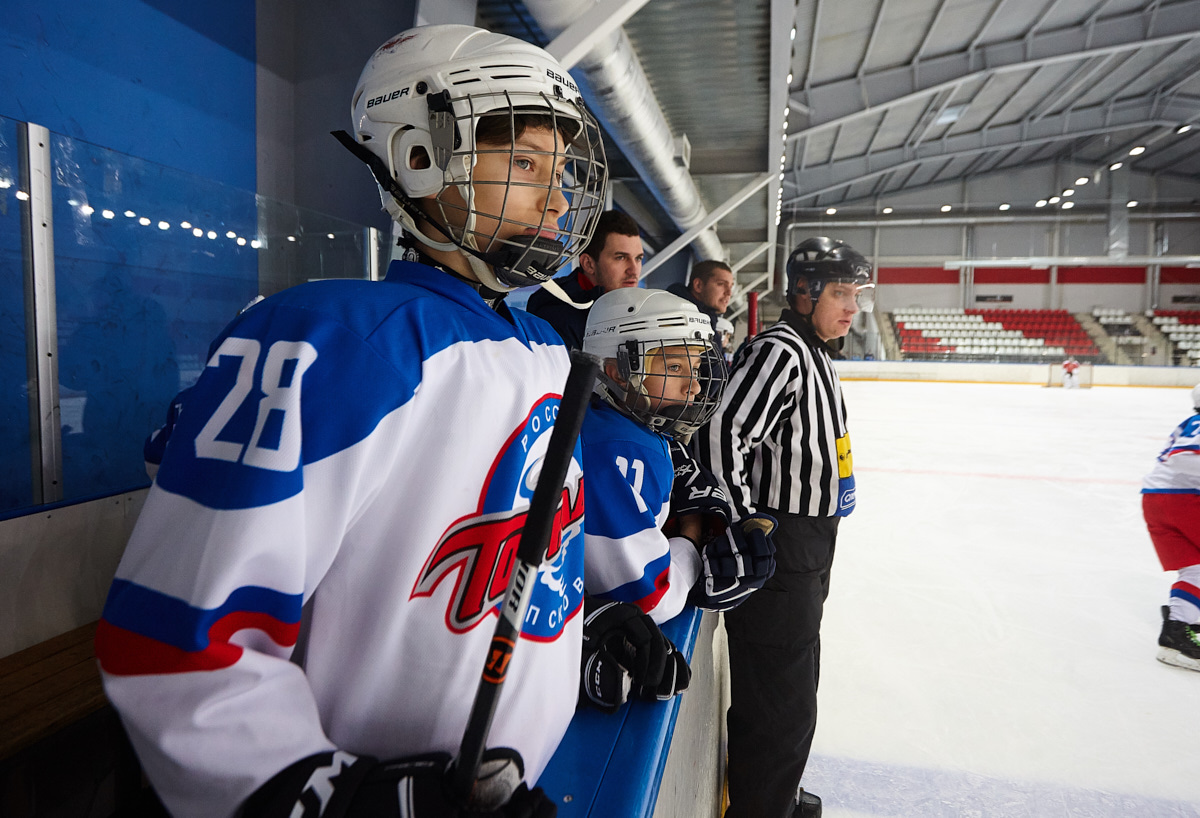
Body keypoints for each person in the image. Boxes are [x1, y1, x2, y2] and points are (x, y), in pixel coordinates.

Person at [91, 24, 676, 818]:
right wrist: (347, 799)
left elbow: (501, 557)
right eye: (525, 164)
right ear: (415, 157)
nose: (560, 195)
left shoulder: (542, 349)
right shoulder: (329, 340)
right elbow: (179, 640)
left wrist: (587, 624)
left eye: (561, 169)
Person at [697, 236, 875, 818]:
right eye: (842, 293)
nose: (853, 307)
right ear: (804, 292)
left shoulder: (814, 350)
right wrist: (741, 521)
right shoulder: (782, 352)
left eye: (857, 294)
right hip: (783, 543)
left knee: (793, 684)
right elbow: (722, 435)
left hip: (810, 544)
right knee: (779, 697)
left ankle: (776, 794)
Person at [578, 288, 774, 630]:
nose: (695, 387)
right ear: (618, 371)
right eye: (674, 366)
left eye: (696, 367)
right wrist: (691, 541)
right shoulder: (619, 450)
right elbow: (650, 599)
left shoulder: (616, 426)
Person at [1141, 383, 1200, 672]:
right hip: (1181, 500)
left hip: (1157, 499)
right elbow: (1185, 458)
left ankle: (1178, 631)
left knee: (1196, 568)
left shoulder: (1191, 421)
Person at [525, 210, 644, 348]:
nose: (634, 270)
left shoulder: (629, 307)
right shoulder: (556, 317)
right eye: (621, 258)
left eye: (638, 258)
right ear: (588, 264)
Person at [668, 260, 735, 361]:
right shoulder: (678, 321)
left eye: (730, 286)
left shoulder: (709, 321)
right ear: (698, 285)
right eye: (721, 284)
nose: (729, 293)